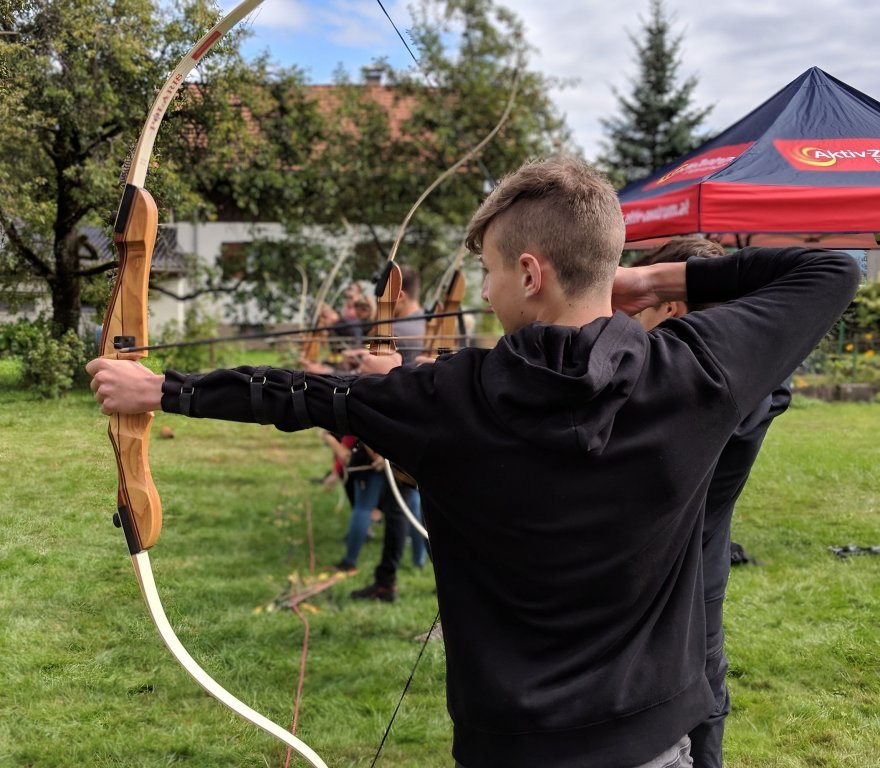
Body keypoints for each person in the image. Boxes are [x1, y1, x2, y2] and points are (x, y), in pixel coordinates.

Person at [88, 156, 858, 768]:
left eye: (489, 270)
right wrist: (651, 279)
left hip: (511, 745)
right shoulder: (698, 376)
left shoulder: (445, 398)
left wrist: (160, 386)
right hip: (655, 738)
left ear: (529, 273)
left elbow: (299, 397)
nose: (484, 291)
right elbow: (833, 271)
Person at [631, 236, 793, 768]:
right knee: (705, 711)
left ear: (672, 308)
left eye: (636, 302)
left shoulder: (660, 400)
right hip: (702, 589)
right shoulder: (757, 386)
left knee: (686, 720)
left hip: (657, 600)